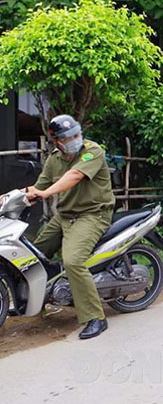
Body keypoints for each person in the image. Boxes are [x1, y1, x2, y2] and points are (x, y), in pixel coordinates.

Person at [24, 115, 115, 339]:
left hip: (93, 215)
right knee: (33, 254)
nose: (74, 139)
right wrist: (10, 198)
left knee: (73, 261)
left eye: (76, 134)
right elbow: (37, 187)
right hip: (65, 216)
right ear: (57, 141)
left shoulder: (91, 151)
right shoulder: (54, 160)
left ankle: (95, 318)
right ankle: (45, 297)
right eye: (67, 137)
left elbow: (74, 176)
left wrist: (45, 194)